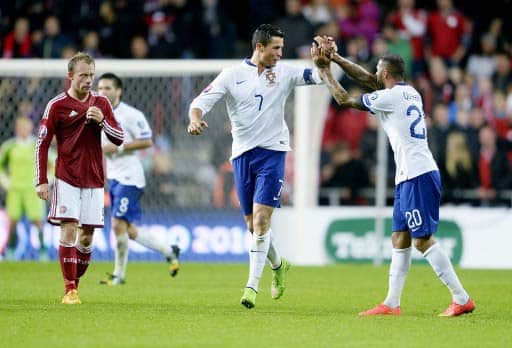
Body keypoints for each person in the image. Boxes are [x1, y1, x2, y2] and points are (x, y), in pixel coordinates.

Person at [311, 37, 475, 317]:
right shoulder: (409, 93)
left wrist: (324, 70)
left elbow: (343, 99)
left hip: (418, 174)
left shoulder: (388, 97)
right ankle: (391, 303)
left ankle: (461, 298)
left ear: (385, 74)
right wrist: (337, 59)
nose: (373, 74)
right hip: (408, 174)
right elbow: (369, 79)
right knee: (400, 237)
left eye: (377, 70)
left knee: (422, 240)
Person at [187, 24, 324, 309]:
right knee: (253, 226)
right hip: (242, 156)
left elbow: (318, 77)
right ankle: (279, 265)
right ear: (259, 47)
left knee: (262, 221)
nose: (280, 53)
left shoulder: (285, 73)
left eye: (282, 49)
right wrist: (195, 119)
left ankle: (251, 286)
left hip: (273, 154)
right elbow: (198, 103)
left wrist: (325, 63)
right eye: (275, 48)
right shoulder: (232, 76)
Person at [35, 52, 124, 305]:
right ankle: (69, 288)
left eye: (91, 75)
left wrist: (103, 120)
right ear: (71, 76)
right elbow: (42, 144)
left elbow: (119, 138)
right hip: (67, 177)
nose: (88, 80)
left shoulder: (102, 103)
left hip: (94, 178)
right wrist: (41, 180)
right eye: (83, 75)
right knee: (69, 229)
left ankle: (76, 281)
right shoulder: (57, 105)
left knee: (86, 237)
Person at [97, 73, 180, 286]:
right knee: (129, 230)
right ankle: (169, 250)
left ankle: (119, 275)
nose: (103, 92)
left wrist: (120, 147)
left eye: (108, 88)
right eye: (100, 88)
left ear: (118, 91)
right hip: (114, 177)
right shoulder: (97, 116)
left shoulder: (131, 115)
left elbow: (147, 141)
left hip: (130, 177)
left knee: (116, 224)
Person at [0, 117, 47, 260]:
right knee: (13, 222)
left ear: (31, 128)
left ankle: (43, 250)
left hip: (33, 190)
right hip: (15, 189)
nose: (24, 130)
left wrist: (45, 180)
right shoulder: (9, 146)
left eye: (26, 127)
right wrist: (5, 181)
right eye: (21, 127)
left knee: (38, 222)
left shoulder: (37, 145)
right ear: (17, 128)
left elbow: (53, 162)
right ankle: (11, 251)